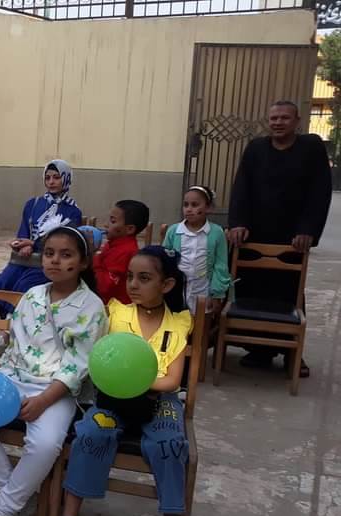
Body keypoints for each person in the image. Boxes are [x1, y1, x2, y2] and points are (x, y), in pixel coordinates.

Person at [46, 246, 192, 516]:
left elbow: (172, 380)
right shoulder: (115, 313)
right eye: (130, 277)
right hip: (114, 397)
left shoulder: (179, 323)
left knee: (170, 445)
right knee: (90, 433)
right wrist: (121, 381)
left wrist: (135, 380)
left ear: (167, 284)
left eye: (144, 278)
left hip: (160, 401)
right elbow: (99, 361)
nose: (133, 285)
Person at [0, 226, 106, 516]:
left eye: (66, 255)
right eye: (50, 253)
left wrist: (43, 401)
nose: (55, 260)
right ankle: (15, 501)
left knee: (45, 443)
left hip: (57, 389)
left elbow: (77, 366)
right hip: (15, 377)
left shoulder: (92, 307)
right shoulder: (32, 295)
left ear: (83, 262)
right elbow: (14, 348)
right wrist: (2, 385)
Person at [228, 101, 332, 377]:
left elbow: (320, 191)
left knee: (289, 292)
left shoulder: (311, 148)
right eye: (273, 118)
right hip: (255, 234)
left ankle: (292, 354)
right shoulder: (256, 149)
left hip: (292, 236)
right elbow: (241, 188)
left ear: (297, 121)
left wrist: (308, 229)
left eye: (284, 118)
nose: (278, 122)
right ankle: (258, 351)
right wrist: (237, 223)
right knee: (251, 290)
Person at [0, 160, 82, 359]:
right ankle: (11, 330)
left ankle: (5, 335)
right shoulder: (33, 204)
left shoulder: (73, 211)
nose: (51, 182)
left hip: (47, 264)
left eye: (56, 177)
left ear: (66, 179)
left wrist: (34, 245)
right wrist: (22, 244)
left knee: (24, 289)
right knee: (2, 284)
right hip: (23, 260)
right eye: (47, 177)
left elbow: (64, 241)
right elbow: (23, 231)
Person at [162, 186, 231, 315]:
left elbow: (220, 265)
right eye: (185, 205)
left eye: (194, 205)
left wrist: (217, 293)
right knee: (175, 320)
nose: (188, 209)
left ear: (208, 208)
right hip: (176, 289)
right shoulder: (174, 231)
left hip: (203, 290)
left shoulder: (217, 232)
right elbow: (164, 260)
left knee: (201, 322)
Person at [93, 199, 150, 305]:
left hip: (114, 308)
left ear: (130, 229)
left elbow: (104, 287)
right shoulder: (113, 243)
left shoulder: (126, 252)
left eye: (113, 221)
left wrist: (91, 256)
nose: (106, 225)